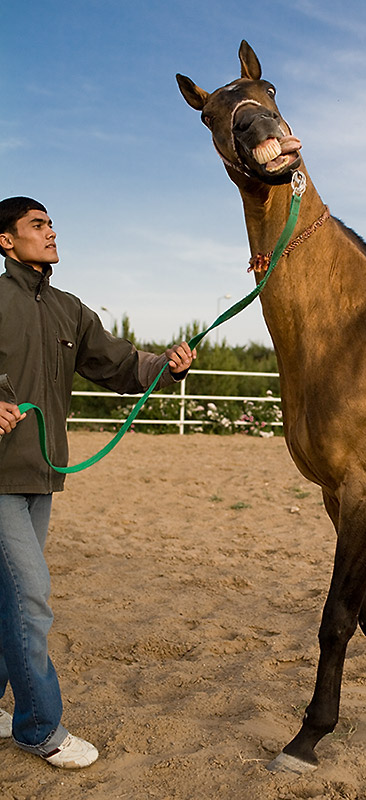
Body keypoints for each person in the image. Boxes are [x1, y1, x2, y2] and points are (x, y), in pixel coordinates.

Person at [0, 196, 196, 768]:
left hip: (41, 473)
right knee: (30, 599)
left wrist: (164, 364)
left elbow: (117, 363)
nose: (51, 231)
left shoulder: (69, 309)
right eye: (37, 225)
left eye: (51, 223)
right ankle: (38, 728)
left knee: (9, 598)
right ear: (6, 241)